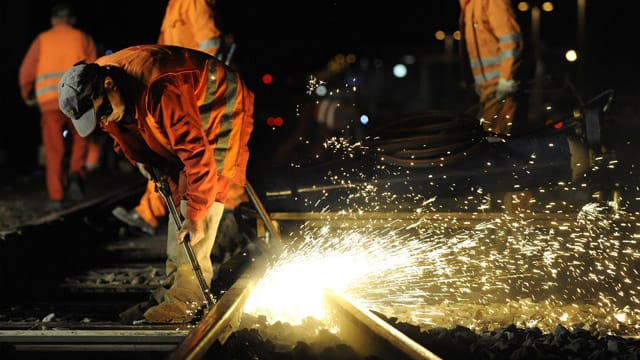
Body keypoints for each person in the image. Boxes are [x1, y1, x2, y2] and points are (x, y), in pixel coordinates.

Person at [58, 44, 255, 323]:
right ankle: (173, 290)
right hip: (173, 100)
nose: (101, 120)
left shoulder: (159, 89)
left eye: (100, 113)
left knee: (203, 191)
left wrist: (196, 216)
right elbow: (122, 133)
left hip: (217, 96)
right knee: (178, 189)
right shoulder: (97, 89)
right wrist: (144, 161)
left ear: (109, 83)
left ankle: (188, 298)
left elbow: (198, 156)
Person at [112, 0, 224, 234]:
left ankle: (230, 212)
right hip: (176, 87)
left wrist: (204, 84)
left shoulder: (194, 2)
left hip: (193, 89)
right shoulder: (174, 6)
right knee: (169, 156)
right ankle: (149, 213)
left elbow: (210, 43)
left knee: (204, 159)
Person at [18, 2, 97, 211]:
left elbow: (26, 70)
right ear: (72, 20)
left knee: (54, 149)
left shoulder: (42, 39)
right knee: (81, 138)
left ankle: (56, 196)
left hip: (50, 102)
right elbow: (95, 69)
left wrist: (27, 93)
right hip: (79, 101)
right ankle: (76, 175)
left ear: (53, 20)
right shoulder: (82, 37)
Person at [458, 0, 525, 136]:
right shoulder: (470, 5)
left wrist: (506, 79)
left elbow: (511, 40)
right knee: (487, 139)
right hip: (487, 89)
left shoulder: (492, 2)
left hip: (500, 87)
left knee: (493, 140)